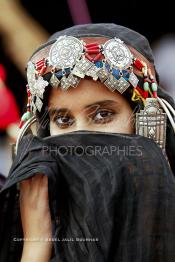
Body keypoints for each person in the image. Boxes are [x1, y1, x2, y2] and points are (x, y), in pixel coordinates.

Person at [0, 23, 175, 262]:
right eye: (63, 119)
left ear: (145, 123)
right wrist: (37, 243)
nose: (79, 138)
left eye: (103, 115)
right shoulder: (28, 219)